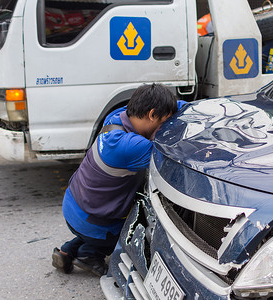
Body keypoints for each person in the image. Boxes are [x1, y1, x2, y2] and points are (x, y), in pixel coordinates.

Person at [52, 83, 186, 276]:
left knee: (98, 224)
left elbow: (179, 107)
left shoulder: (117, 116)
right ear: (151, 114)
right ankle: (88, 254)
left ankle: (67, 250)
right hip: (91, 219)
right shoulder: (130, 147)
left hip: (73, 205)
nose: (165, 125)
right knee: (135, 232)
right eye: (164, 121)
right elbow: (173, 153)